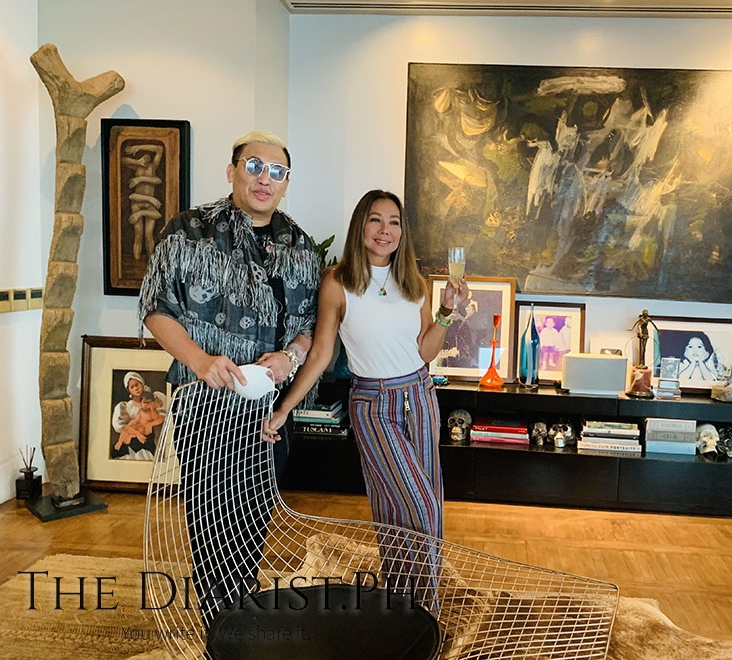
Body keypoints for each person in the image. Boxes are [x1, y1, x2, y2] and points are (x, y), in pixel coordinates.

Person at [138, 131, 321, 628]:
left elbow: (311, 328)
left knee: (253, 520)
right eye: (254, 166)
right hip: (204, 404)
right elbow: (155, 309)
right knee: (209, 523)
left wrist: (289, 356)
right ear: (232, 171)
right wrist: (200, 361)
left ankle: (241, 620)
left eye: (277, 172)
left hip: (268, 412)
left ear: (286, 183)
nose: (265, 179)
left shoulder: (301, 246)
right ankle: (221, 629)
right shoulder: (188, 231)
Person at [264, 189, 467, 598]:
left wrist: (446, 312)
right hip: (373, 405)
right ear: (361, 225)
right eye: (376, 219)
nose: (384, 230)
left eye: (394, 222)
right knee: (419, 505)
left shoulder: (414, 282)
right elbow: (321, 353)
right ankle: (421, 607)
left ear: (402, 232)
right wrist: (285, 408)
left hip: (420, 397)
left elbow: (425, 352)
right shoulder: (338, 284)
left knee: (405, 509)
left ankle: (408, 603)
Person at [111, 371, 166, 461]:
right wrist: (136, 434)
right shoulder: (127, 406)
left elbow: (161, 417)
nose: (136, 388)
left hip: (151, 438)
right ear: (129, 390)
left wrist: (151, 424)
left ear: (142, 383)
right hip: (134, 438)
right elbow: (126, 427)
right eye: (132, 387)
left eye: (137, 385)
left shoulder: (154, 399)